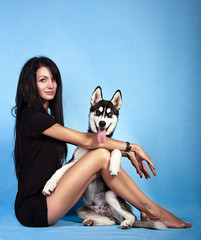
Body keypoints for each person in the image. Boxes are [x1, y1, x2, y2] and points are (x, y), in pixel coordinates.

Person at [13, 56, 191, 228]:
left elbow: (88, 143)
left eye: (54, 79)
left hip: (50, 198)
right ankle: (153, 211)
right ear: (30, 84)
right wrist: (132, 148)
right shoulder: (30, 116)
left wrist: (124, 152)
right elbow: (86, 140)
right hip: (35, 208)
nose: (51, 85)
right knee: (100, 155)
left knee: (102, 156)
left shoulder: (47, 120)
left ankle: (146, 210)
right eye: (43, 80)